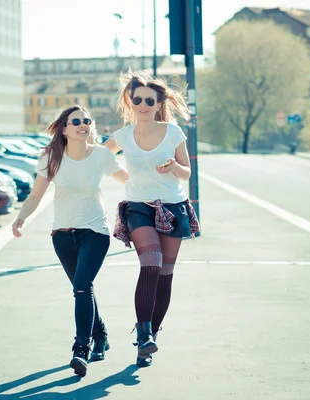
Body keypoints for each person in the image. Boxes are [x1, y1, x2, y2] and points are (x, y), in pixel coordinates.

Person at [12, 105, 128, 377]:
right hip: (62, 235)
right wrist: (21, 218)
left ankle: (81, 349)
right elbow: (35, 196)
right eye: (76, 121)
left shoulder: (100, 155)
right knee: (82, 288)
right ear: (64, 128)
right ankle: (101, 335)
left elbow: (128, 180)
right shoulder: (51, 158)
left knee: (81, 287)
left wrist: (157, 178)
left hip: (95, 231)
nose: (83, 124)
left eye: (87, 120)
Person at [104, 69, 200, 368]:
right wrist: (124, 179)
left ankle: (151, 338)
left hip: (172, 207)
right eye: (138, 100)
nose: (143, 104)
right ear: (131, 102)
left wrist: (172, 166)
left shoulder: (173, 132)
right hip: (138, 207)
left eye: (149, 100)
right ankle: (144, 333)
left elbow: (187, 173)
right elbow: (99, 158)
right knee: (151, 263)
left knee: (165, 275)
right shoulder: (122, 136)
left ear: (159, 103)